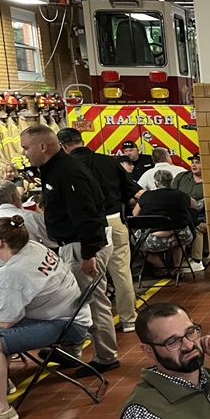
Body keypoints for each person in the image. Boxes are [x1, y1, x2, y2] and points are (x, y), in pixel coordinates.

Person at [19, 125, 119, 375]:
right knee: (73, 302)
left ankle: (106, 357)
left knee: (92, 302)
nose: (25, 153)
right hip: (72, 245)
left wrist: (88, 253)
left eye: (26, 148)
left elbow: (87, 215)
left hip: (82, 246)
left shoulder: (67, 172)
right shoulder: (55, 170)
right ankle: (71, 350)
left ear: (43, 146)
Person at [0, 216, 91, 419]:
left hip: (64, 325)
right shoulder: (33, 247)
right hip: (73, 314)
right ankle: (0, 381)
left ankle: (0, 409)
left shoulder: (11, 272)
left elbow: (4, 323)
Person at [60, 127, 144, 332]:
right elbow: (129, 191)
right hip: (114, 220)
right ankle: (129, 319)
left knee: (89, 277)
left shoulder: (65, 167)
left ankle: (89, 325)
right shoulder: (109, 162)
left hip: (85, 227)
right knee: (122, 271)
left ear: (63, 146)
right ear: (81, 140)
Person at [132, 169, 199, 275]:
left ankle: (161, 268)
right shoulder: (180, 195)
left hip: (153, 240)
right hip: (179, 236)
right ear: (171, 182)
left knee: (138, 244)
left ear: (155, 183)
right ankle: (177, 268)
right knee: (180, 243)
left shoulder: (146, 195)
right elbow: (194, 205)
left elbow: (134, 215)